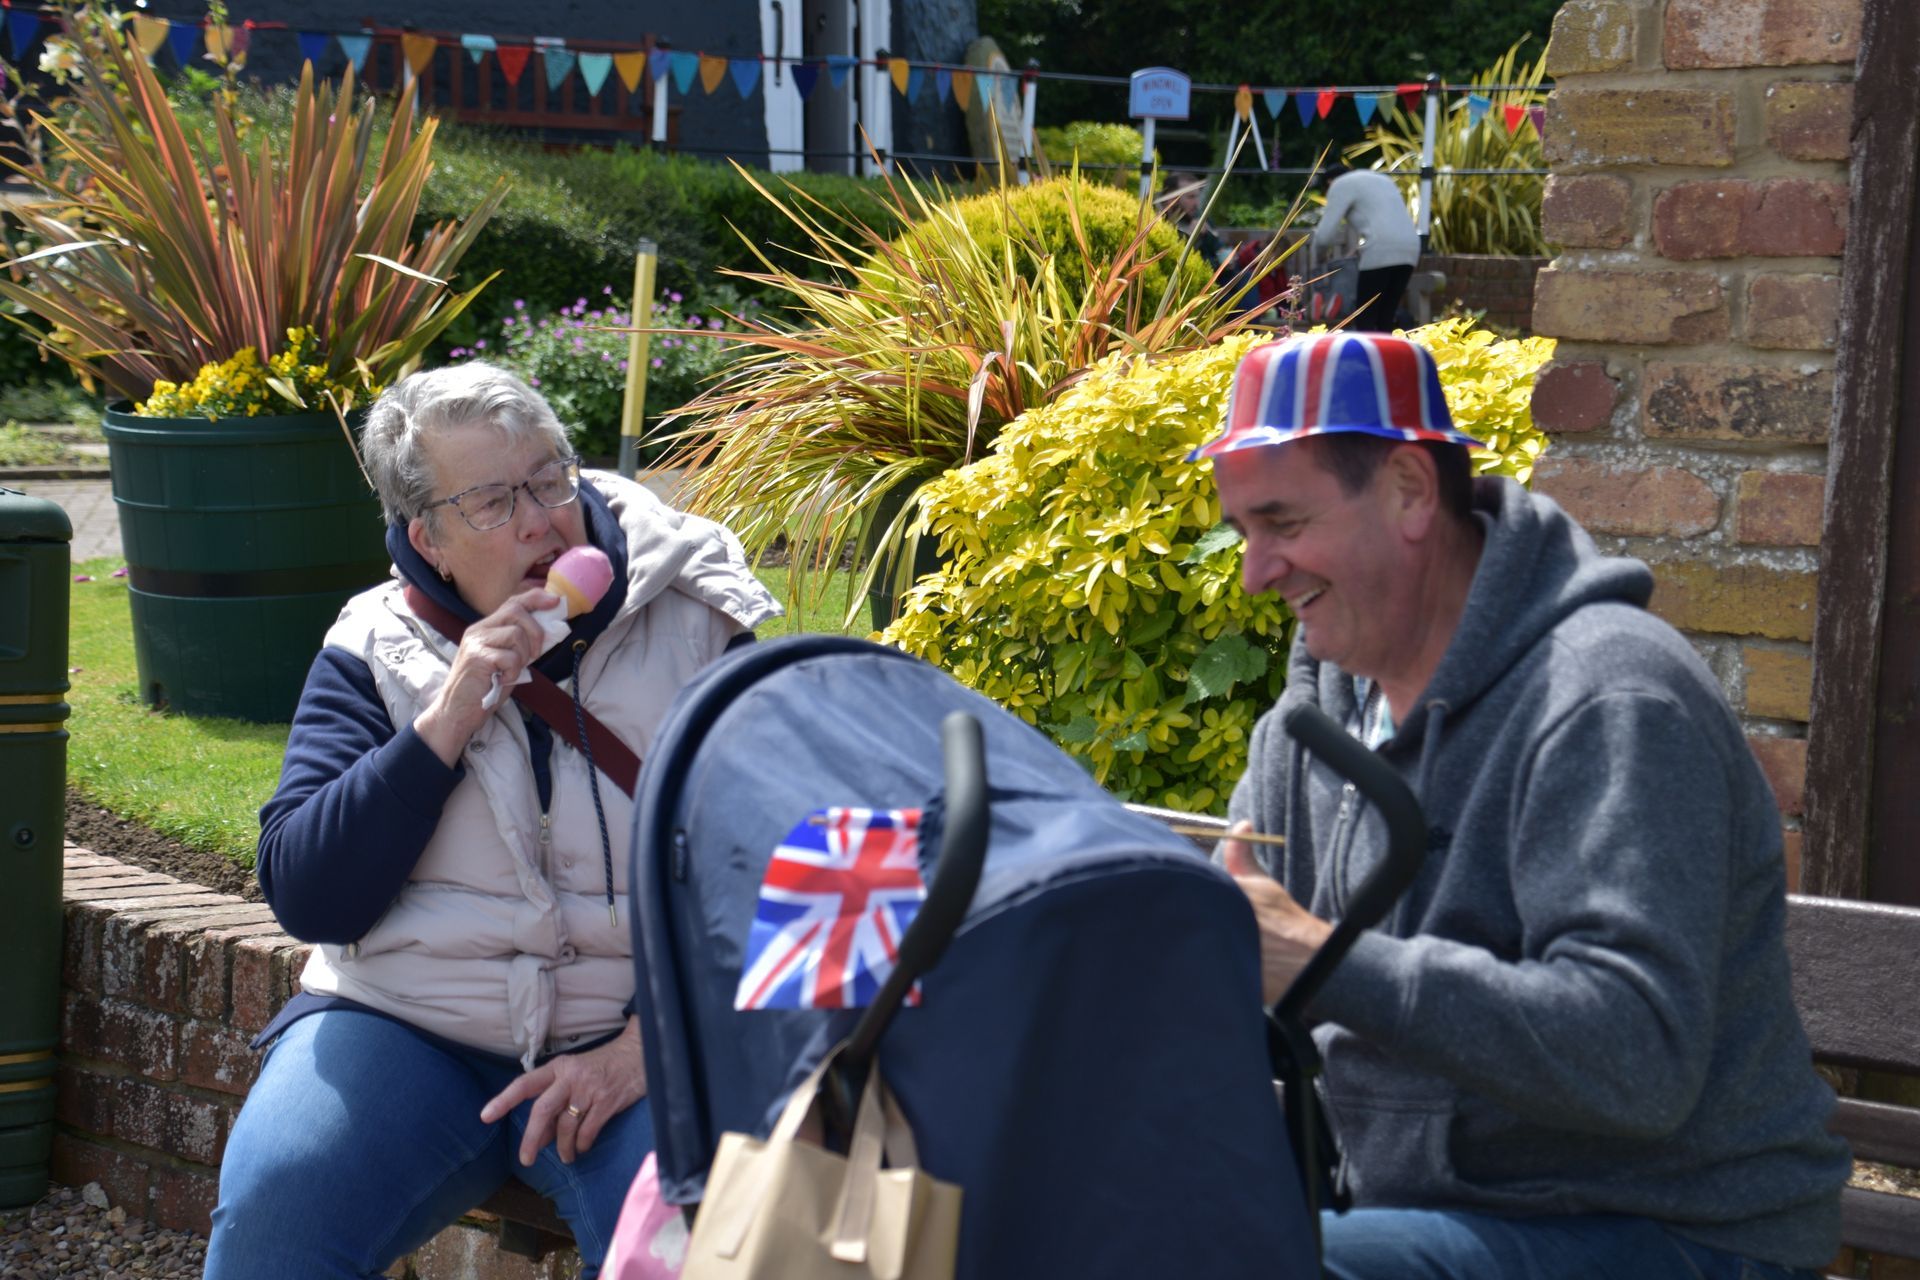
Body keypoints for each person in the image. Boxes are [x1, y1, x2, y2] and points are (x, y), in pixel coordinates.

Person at [1194, 331, 1849, 1280]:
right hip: (1429, 1213)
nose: (1257, 570)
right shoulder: (1313, 720)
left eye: (1284, 524)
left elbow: (1636, 1055)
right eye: (1245, 530)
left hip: (1674, 1229)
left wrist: (1316, 959)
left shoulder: (1608, 697)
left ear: (1411, 491)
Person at [205, 362, 781, 1280]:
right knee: (274, 1226)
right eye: (492, 501)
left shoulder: (701, 625)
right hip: (405, 1025)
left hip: (633, 1037)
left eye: (551, 479)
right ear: (426, 537)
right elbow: (311, 894)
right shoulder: (372, 649)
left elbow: (787, 868)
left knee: (706, 1254)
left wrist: (654, 1049)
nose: (541, 520)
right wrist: (447, 716)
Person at [1310, 164, 1420, 331]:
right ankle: (1386, 356)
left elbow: (1324, 236)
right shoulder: (1383, 180)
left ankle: (1365, 357)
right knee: (1386, 317)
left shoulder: (1340, 184)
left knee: (1365, 318)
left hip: (1380, 251)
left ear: (1329, 182)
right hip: (1410, 249)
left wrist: (1320, 257)